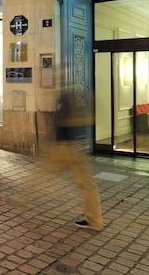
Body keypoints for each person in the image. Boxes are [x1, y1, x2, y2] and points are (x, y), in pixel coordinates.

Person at [40, 87, 104, 231]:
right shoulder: (75, 95)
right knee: (86, 183)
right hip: (74, 145)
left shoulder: (67, 95)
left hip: (68, 147)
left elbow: (64, 122)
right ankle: (94, 219)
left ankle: (23, 198)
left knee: (43, 173)